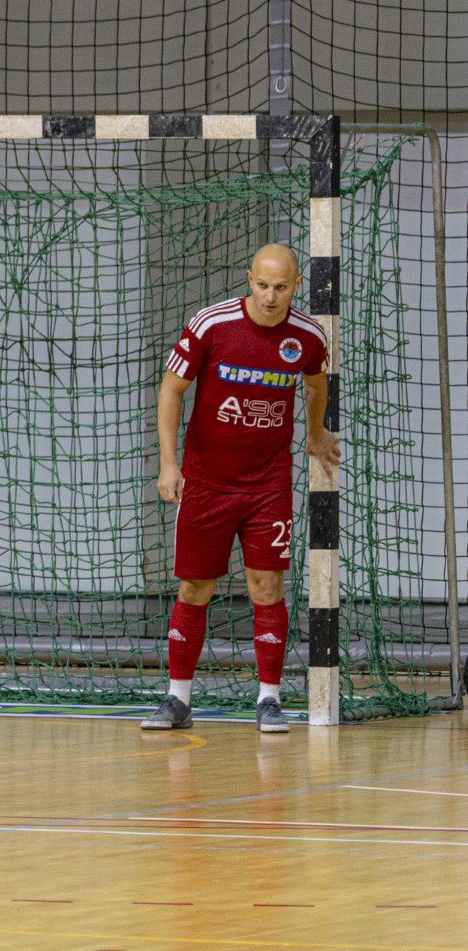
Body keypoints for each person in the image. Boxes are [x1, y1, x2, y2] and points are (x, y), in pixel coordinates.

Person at [142, 243, 340, 733]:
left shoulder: (308, 337)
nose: (269, 296)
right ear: (248, 277)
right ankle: (177, 699)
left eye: (280, 287)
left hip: (267, 482)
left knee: (266, 586)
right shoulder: (212, 324)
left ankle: (269, 699)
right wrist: (169, 465)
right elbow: (170, 390)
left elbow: (316, 383)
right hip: (207, 481)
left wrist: (316, 433)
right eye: (261, 284)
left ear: (296, 286)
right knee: (196, 586)